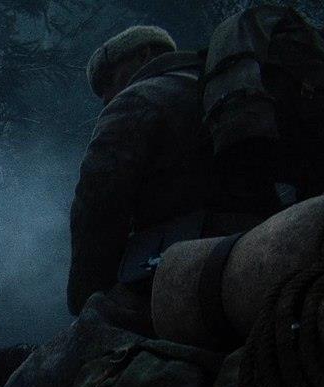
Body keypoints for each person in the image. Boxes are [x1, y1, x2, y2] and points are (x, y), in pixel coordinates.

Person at [67, 26, 224, 328]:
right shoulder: (217, 85)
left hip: (183, 264)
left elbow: (96, 208)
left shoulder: (136, 101)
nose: (106, 97)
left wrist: (86, 299)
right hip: (254, 233)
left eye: (109, 80)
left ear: (144, 54)